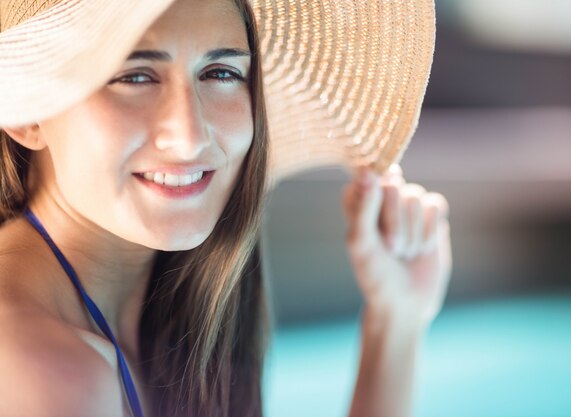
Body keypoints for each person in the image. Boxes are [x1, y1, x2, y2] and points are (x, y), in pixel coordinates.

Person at [0, 0, 451, 416]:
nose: (190, 136)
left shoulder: (142, 327)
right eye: (134, 76)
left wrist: (396, 320)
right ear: (26, 112)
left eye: (220, 73)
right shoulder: (41, 369)